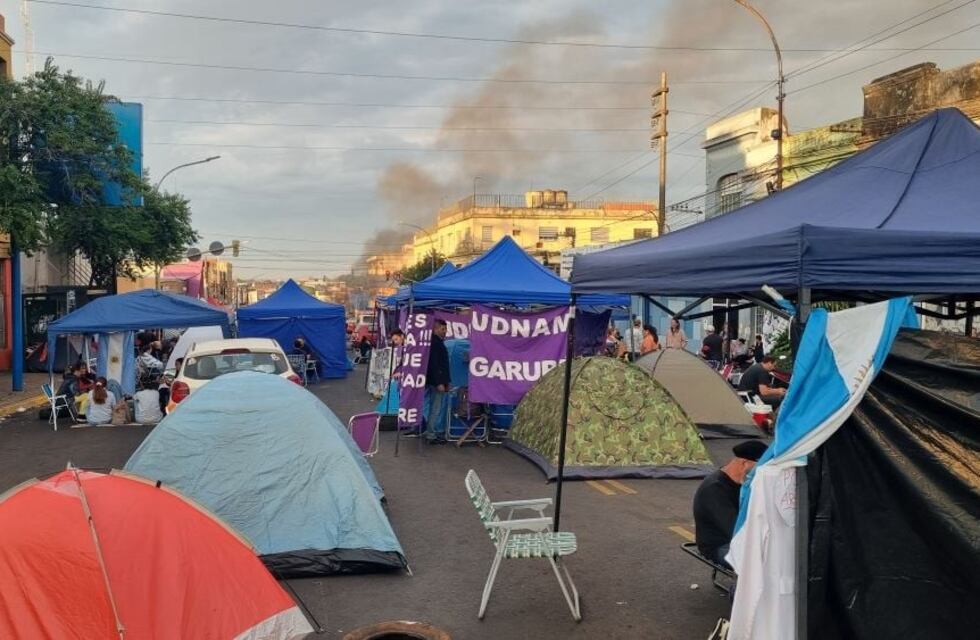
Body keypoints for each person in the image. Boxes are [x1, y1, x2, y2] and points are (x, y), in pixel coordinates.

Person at [693, 440, 768, 568]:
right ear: (744, 464)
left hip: (739, 538)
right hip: (720, 545)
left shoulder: (742, 482)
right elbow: (735, 529)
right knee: (763, 559)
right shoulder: (714, 489)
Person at [424, 319, 451, 444]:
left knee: (432, 407)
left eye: (445, 329)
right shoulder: (435, 343)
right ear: (436, 328)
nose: (445, 332)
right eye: (443, 329)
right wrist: (439, 382)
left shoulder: (436, 342)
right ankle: (431, 434)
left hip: (436, 381)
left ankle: (430, 431)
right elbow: (434, 365)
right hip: (437, 382)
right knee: (435, 408)